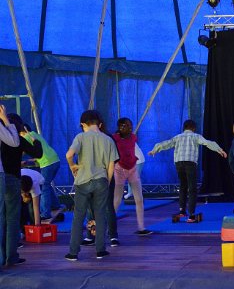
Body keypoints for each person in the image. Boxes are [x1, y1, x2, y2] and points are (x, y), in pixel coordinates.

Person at [65, 110, 119, 261]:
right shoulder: (108, 139)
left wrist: (72, 166)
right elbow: (111, 166)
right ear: (100, 124)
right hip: (101, 180)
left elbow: (69, 155)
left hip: (82, 181)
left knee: (78, 217)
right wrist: (107, 183)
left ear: (83, 124)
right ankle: (100, 251)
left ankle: (73, 253)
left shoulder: (80, 137)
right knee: (100, 215)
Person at [149, 120, 227, 222]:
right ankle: (191, 215)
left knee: (183, 186)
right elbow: (208, 143)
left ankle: (182, 211)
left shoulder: (178, 137)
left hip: (179, 163)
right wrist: (219, 150)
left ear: (184, 128)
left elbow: (166, 144)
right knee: (192, 188)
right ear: (194, 128)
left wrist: (155, 149)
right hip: (190, 162)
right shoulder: (195, 136)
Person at [1, 114, 42, 266]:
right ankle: (11, 256)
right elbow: (38, 153)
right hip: (13, 179)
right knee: (12, 219)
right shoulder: (17, 140)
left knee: (2, 218)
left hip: (1, 176)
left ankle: (2, 255)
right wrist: (35, 139)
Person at [112, 117, 151, 235]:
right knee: (117, 201)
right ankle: (110, 228)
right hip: (119, 170)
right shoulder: (115, 138)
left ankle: (141, 228)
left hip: (132, 169)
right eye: (125, 126)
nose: (129, 128)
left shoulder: (133, 137)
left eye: (130, 126)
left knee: (139, 199)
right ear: (119, 128)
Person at [21, 124, 61, 220]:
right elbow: (40, 149)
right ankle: (55, 204)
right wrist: (31, 160)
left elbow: (21, 151)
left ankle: (45, 213)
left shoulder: (26, 137)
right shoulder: (34, 134)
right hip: (55, 160)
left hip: (47, 163)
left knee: (44, 188)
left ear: (21, 132)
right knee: (46, 184)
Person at [0, 105, 20, 269]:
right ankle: (9, 257)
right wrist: (5, 119)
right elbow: (14, 141)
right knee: (9, 218)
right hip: (9, 176)